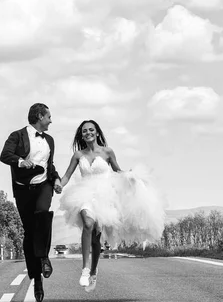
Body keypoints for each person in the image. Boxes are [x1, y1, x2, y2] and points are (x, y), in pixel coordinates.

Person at [56, 120, 166, 293]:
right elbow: (66, 176)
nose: (88, 133)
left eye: (91, 130)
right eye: (84, 131)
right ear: (81, 134)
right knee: (87, 224)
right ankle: (85, 269)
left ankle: (93, 271)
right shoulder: (78, 155)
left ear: (97, 133)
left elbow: (117, 170)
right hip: (84, 194)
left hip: (105, 196)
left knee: (96, 237)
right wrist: (59, 185)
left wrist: (130, 176)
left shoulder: (107, 152)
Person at [0, 103, 62, 302]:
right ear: (39, 116)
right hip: (23, 188)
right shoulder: (16, 136)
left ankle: (44, 257)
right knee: (29, 233)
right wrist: (20, 161)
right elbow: (5, 155)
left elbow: (49, 165)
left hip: (44, 185)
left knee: (43, 215)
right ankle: (36, 279)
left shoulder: (50, 140)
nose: (51, 120)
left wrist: (57, 179)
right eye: (48, 117)